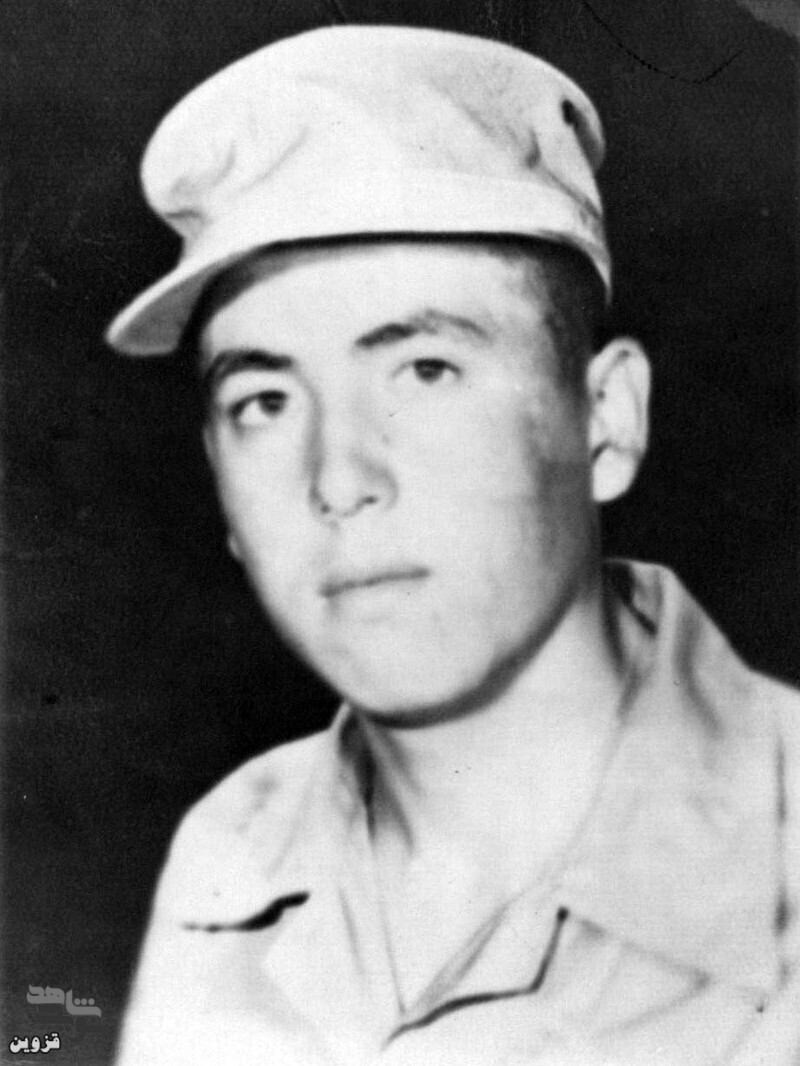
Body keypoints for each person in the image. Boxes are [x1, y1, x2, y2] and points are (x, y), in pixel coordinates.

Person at [106, 24, 800, 1066]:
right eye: (264, 401)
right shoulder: (235, 854)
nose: (338, 478)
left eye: (425, 370)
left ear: (605, 420)